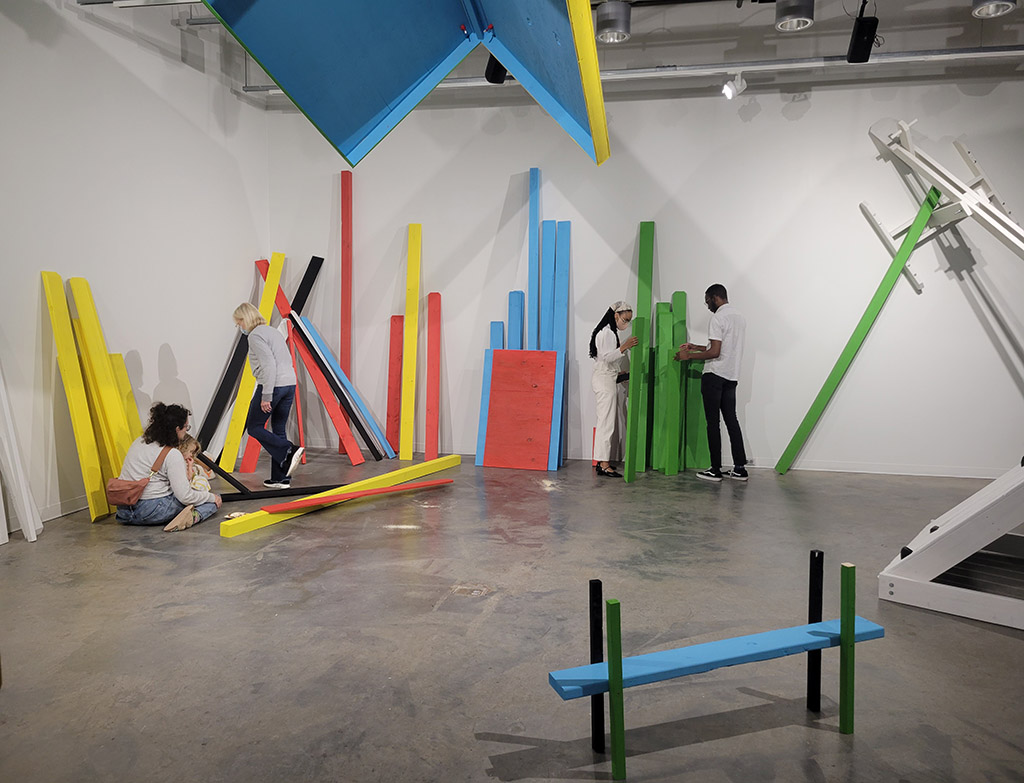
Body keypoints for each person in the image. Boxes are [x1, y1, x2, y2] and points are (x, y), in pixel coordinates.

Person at [675, 284, 748, 483]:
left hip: (714, 375)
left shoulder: (718, 318)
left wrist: (687, 355)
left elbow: (715, 353)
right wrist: (696, 346)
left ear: (716, 297)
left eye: (707, 301)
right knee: (732, 421)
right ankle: (740, 468)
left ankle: (715, 469)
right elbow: (721, 347)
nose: (707, 305)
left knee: (712, 423)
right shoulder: (739, 317)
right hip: (731, 376)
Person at [115, 402, 222, 530]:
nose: (185, 432)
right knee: (212, 501)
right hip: (152, 511)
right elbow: (185, 496)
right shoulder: (172, 454)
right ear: (177, 429)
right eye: (186, 428)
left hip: (124, 510)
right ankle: (190, 518)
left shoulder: (138, 442)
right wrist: (211, 497)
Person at [233, 302, 304, 489]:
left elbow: (269, 365)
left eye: (239, 322)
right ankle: (281, 479)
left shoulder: (255, 336)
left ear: (245, 319)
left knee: (254, 427)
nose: (239, 327)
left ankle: (289, 450)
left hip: (273, 385)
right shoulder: (272, 331)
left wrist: (266, 395)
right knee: (278, 429)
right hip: (289, 383)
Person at [590, 301, 639, 478]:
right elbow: (607, 357)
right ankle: (603, 464)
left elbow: (605, 361)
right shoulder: (608, 333)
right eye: (625, 319)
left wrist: (620, 372)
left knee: (606, 422)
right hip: (604, 381)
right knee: (607, 423)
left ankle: (601, 462)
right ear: (616, 315)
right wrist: (624, 347)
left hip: (606, 379)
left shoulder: (608, 332)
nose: (626, 323)